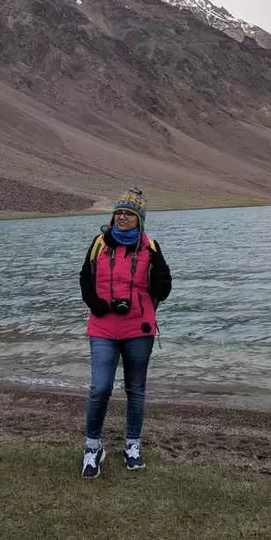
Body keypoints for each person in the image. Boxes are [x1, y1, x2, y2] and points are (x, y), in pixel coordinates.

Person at [78, 188, 172, 478]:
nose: (122, 217)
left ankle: (132, 445)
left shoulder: (150, 247)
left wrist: (157, 264)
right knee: (100, 388)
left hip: (139, 328)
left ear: (139, 219)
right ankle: (93, 447)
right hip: (103, 326)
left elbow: (163, 291)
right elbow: (84, 280)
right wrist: (97, 305)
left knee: (136, 389)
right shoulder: (99, 244)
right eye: (119, 212)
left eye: (129, 214)